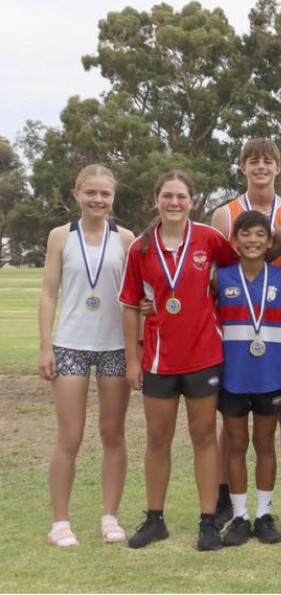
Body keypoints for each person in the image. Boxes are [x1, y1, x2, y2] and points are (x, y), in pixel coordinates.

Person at [119, 170, 239, 551]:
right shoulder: (140, 247)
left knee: (204, 435)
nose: (174, 203)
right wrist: (132, 359)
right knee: (157, 438)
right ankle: (155, 519)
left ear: (192, 200)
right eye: (167, 195)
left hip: (204, 354)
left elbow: (243, 267)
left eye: (181, 196)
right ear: (157, 199)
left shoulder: (209, 238)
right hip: (158, 358)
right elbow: (128, 304)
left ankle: (208, 522)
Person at [38, 165, 136, 547]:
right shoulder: (60, 237)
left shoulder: (125, 238)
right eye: (90, 192)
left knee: (113, 434)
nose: (98, 199)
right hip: (70, 345)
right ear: (76, 193)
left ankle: (110, 517)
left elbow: (135, 297)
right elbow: (48, 293)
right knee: (70, 436)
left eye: (105, 194)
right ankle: (59, 522)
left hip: (114, 345)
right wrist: (46, 346)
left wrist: (136, 351)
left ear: (113, 198)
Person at [210, 138, 281, 528]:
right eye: (253, 161)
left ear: (278, 168)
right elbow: (210, 278)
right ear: (243, 167)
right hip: (236, 329)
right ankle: (225, 499)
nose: (260, 166)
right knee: (231, 432)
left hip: (276, 328)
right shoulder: (223, 214)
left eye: (268, 161)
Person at [217, 210, 281, 546]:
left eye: (260, 234)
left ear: (269, 241)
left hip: (270, 375)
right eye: (245, 234)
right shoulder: (220, 278)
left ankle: (263, 514)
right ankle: (239, 516)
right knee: (235, 445)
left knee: (264, 444)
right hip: (232, 376)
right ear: (235, 241)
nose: (252, 240)